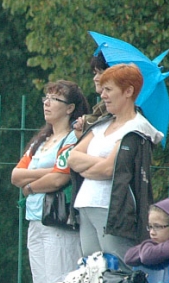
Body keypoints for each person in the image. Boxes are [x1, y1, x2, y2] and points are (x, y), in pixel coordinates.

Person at [68, 64, 163, 267]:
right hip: (86, 203)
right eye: (102, 90)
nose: (103, 95)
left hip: (112, 208)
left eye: (109, 90)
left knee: (117, 270)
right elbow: (72, 158)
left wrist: (89, 168)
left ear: (128, 91)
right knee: (91, 271)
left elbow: (111, 169)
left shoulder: (137, 129)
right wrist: (99, 165)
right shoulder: (102, 125)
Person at [11, 80, 90, 283]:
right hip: (35, 220)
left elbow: (59, 178)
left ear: (70, 108)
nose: (47, 103)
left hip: (57, 221)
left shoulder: (72, 138)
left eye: (55, 99)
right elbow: (15, 175)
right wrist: (47, 171)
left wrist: (31, 187)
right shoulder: (41, 141)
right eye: (46, 98)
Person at [73, 51, 110, 135]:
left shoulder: (112, 113)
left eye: (100, 73)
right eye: (95, 73)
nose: (95, 78)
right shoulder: (100, 109)